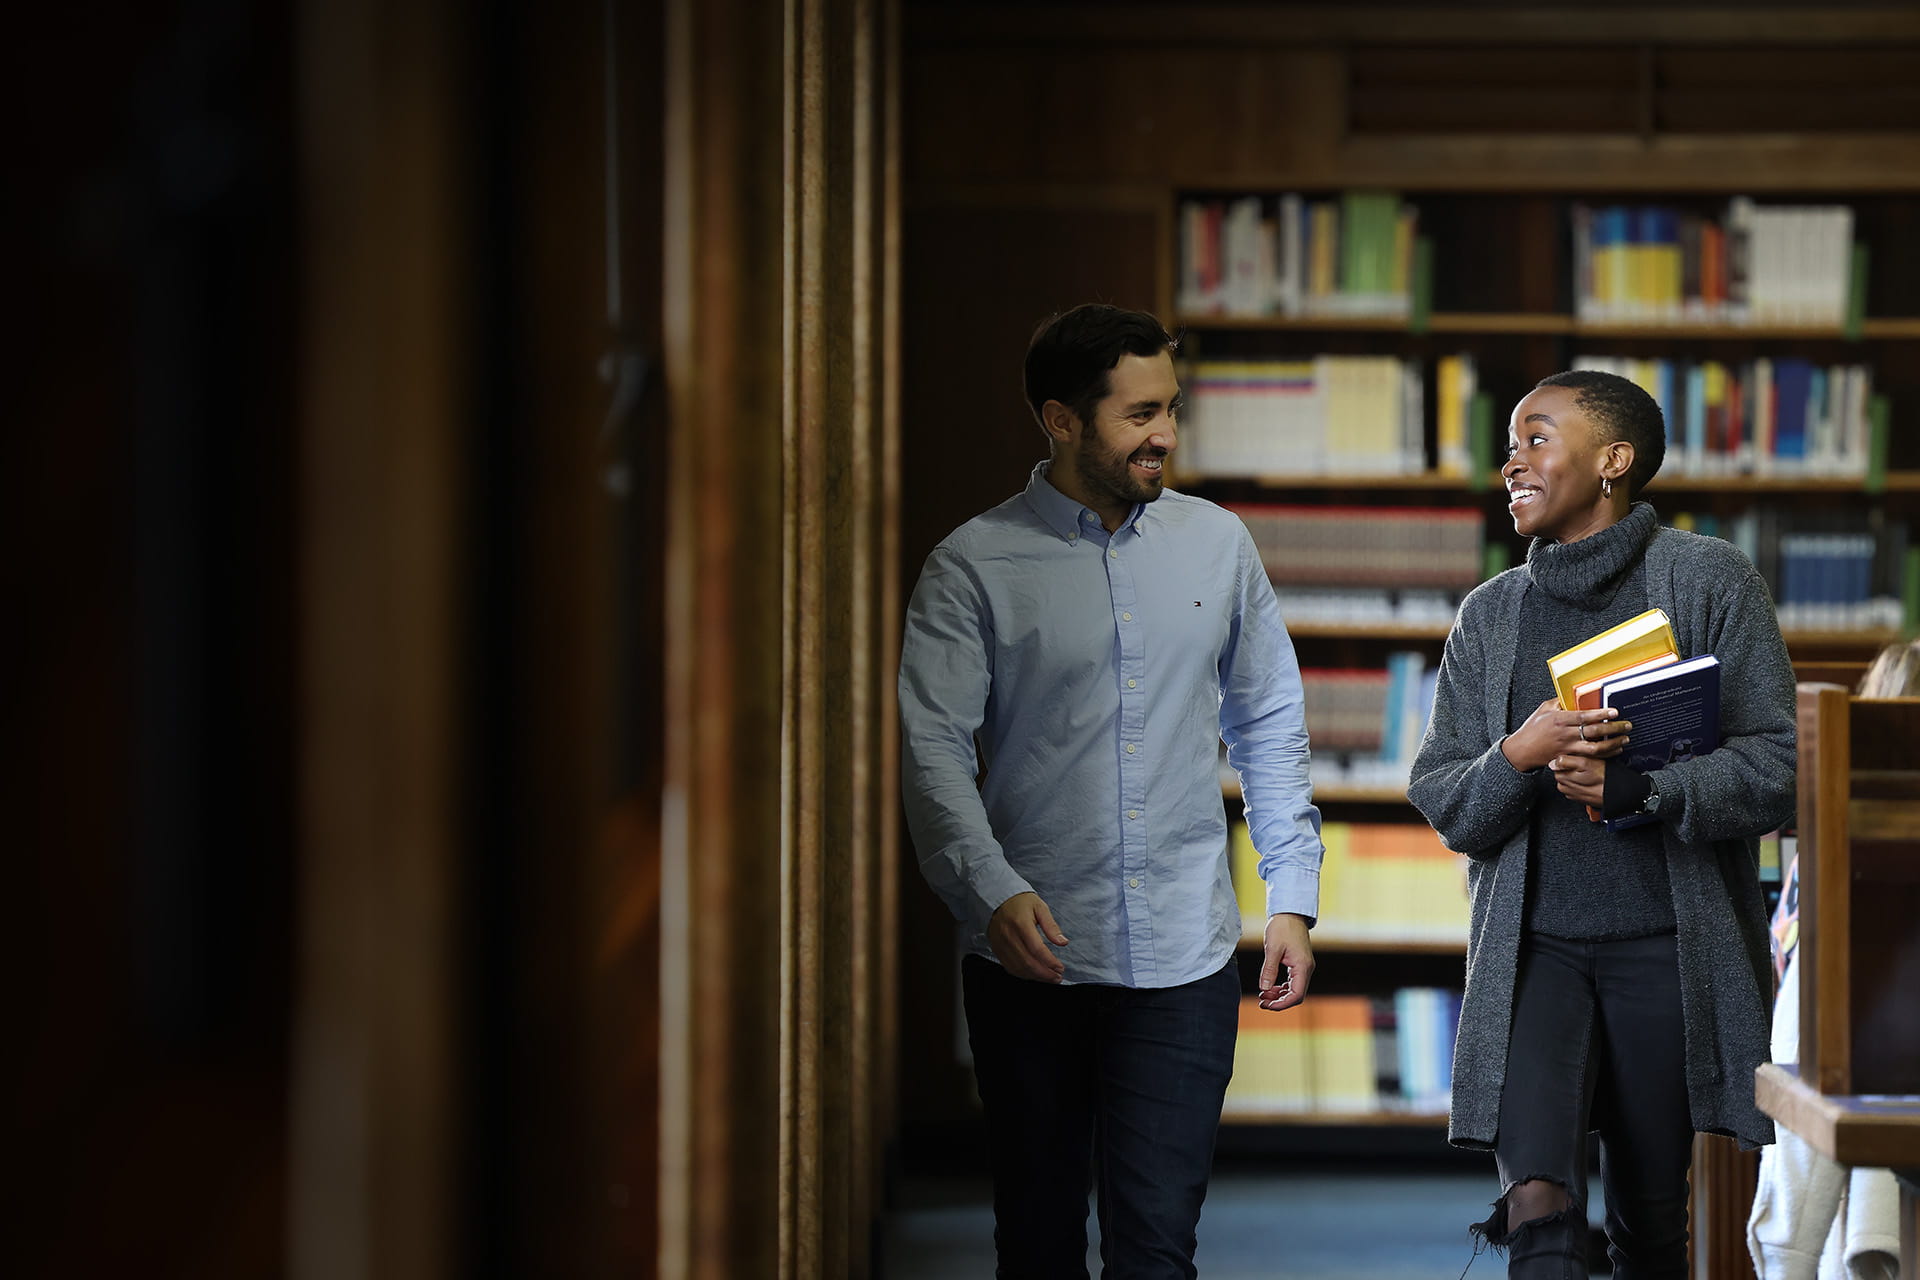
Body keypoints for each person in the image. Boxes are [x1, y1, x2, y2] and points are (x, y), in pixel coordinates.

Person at [898, 303, 1323, 1279]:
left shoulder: (1218, 545)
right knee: (1039, 1244)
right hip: (1029, 958)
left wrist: (1291, 897)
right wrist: (990, 890)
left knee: (1157, 1249)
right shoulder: (974, 565)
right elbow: (930, 750)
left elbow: (1267, 722)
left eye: (1169, 408)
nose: (1164, 434)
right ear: (1061, 419)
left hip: (1183, 957)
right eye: (1138, 414)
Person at [1407, 369, 1798, 1278]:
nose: (1512, 462)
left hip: (1669, 949)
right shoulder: (1491, 614)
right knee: (1537, 1211)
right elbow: (1444, 797)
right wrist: (1519, 752)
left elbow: (1778, 768)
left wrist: (1643, 791)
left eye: (1536, 438)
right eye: (1510, 444)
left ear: (1614, 459)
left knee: (1652, 1226)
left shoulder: (1708, 580)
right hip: (1531, 954)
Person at [1745, 638, 1920, 1280]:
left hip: (1864, 1118)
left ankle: (1836, 1249)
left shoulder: (1824, 864)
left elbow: (1795, 1005)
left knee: (1841, 1043)